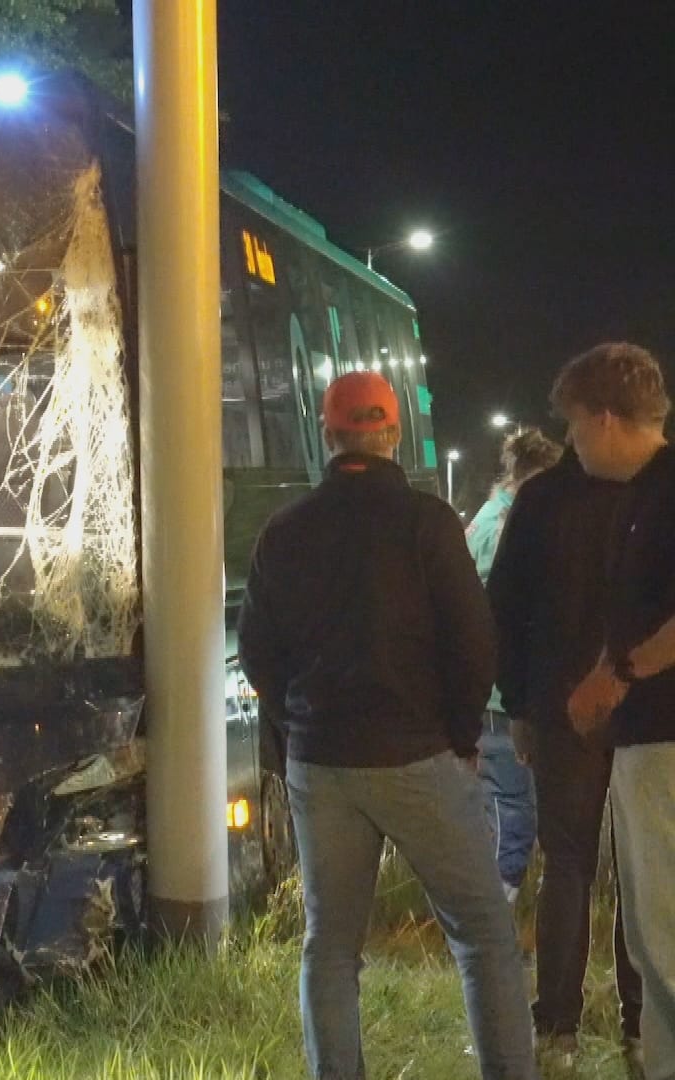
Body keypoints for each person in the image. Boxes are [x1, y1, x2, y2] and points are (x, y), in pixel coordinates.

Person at [239, 371, 536, 1080]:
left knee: (330, 948)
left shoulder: (285, 531)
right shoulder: (427, 522)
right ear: (394, 433)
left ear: (328, 432)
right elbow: (475, 641)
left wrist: (299, 722)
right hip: (417, 755)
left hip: (323, 762)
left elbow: (256, 651)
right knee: (484, 937)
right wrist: (462, 737)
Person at [487, 439, 643, 1071]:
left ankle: (557, 1030)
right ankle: (643, 1027)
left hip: (559, 708)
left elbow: (505, 609)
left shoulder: (542, 498)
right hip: (650, 710)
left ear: (598, 417)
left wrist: (519, 706)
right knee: (643, 867)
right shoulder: (656, 490)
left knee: (567, 864)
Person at [558, 343, 675, 1080]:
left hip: (665, 742)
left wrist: (620, 676)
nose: (571, 445)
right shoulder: (645, 494)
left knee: (662, 932)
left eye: (573, 428)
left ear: (605, 419)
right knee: (651, 934)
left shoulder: (666, 492)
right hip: (649, 740)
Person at [465, 428, 561, 901]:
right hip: (504, 696)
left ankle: (494, 923)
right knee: (513, 811)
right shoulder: (510, 527)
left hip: (491, 692)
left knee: (505, 808)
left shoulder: (486, 519)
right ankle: (493, 928)